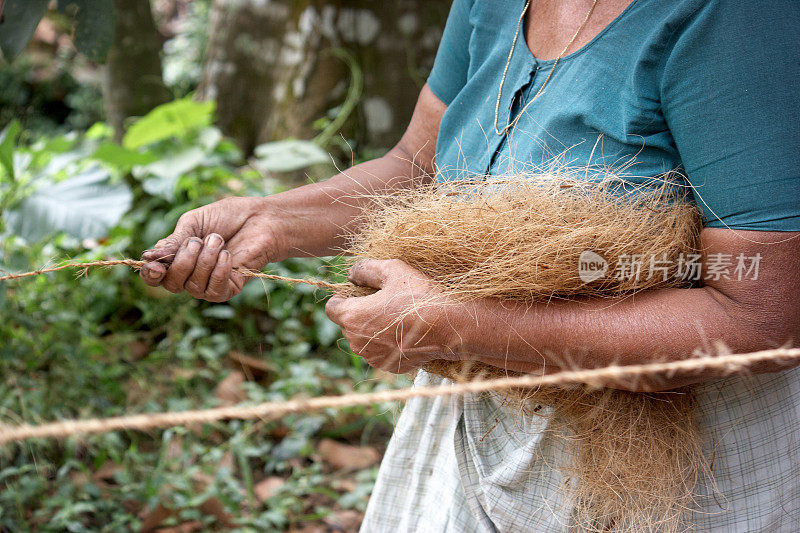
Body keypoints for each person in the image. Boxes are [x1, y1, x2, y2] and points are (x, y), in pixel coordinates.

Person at [140, 0, 800, 530]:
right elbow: (420, 169)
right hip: (483, 422)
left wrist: (459, 326)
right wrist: (269, 221)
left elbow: (764, 315)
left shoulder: (734, 18)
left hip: (683, 471)